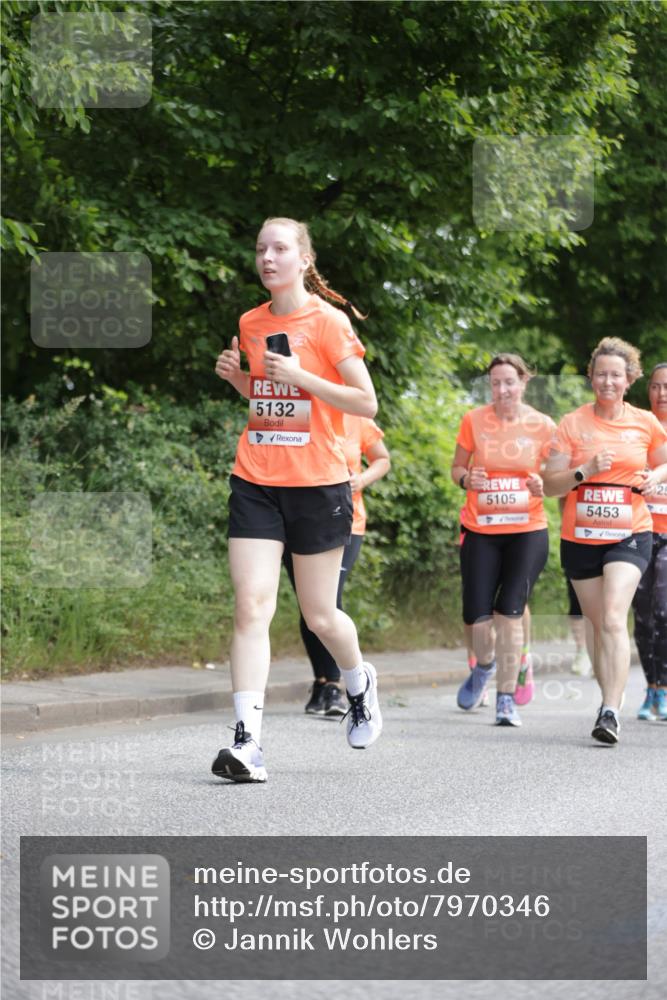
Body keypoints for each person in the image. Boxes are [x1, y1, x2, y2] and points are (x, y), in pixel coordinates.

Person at [211, 217, 382, 782]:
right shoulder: (251, 321)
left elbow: (365, 403)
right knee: (251, 606)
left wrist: (305, 376)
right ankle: (247, 744)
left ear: (303, 259)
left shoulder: (328, 323)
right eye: (260, 247)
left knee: (321, 615)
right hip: (257, 478)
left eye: (279, 248)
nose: (267, 257)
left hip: (319, 485)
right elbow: (270, 399)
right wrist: (239, 379)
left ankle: (357, 682)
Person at [543, 338, 667, 745]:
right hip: (580, 536)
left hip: (631, 531)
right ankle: (607, 699)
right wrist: (585, 470)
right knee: (598, 624)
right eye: (601, 374)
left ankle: (610, 709)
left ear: (629, 379)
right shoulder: (571, 423)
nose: (608, 381)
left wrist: (656, 477)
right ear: (591, 377)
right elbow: (548, 485)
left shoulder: (645, 422)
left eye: (616, 374)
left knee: (614, 616)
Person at [451, 354, 555, 727]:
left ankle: (505, 698)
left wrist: (543, 483)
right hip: (481, 529)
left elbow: (556, 479)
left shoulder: (543, 426)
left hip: (527, 530)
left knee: (509, 612)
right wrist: (467, 480)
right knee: (476, 617)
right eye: (495, 383)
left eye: (509, 381)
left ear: (524, 382)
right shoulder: (474, 420)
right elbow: (457, 468)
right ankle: (485, 665)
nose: (502, 389)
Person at [283, 415, 390, 717]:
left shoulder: (357, 416)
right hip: (300, 518)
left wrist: (362, 479)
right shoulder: (303, 407)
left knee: (328, 600)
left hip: (347, 521)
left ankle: (334, 684)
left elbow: (382, 459)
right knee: (310, 607)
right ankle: (321, 682)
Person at [632, 362, 667, 721]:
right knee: (643, 616)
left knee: (664, 611)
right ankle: (651, 689)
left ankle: (665, 687)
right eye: (656, 386)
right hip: (639, 530)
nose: (662, 394)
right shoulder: (637, 430)